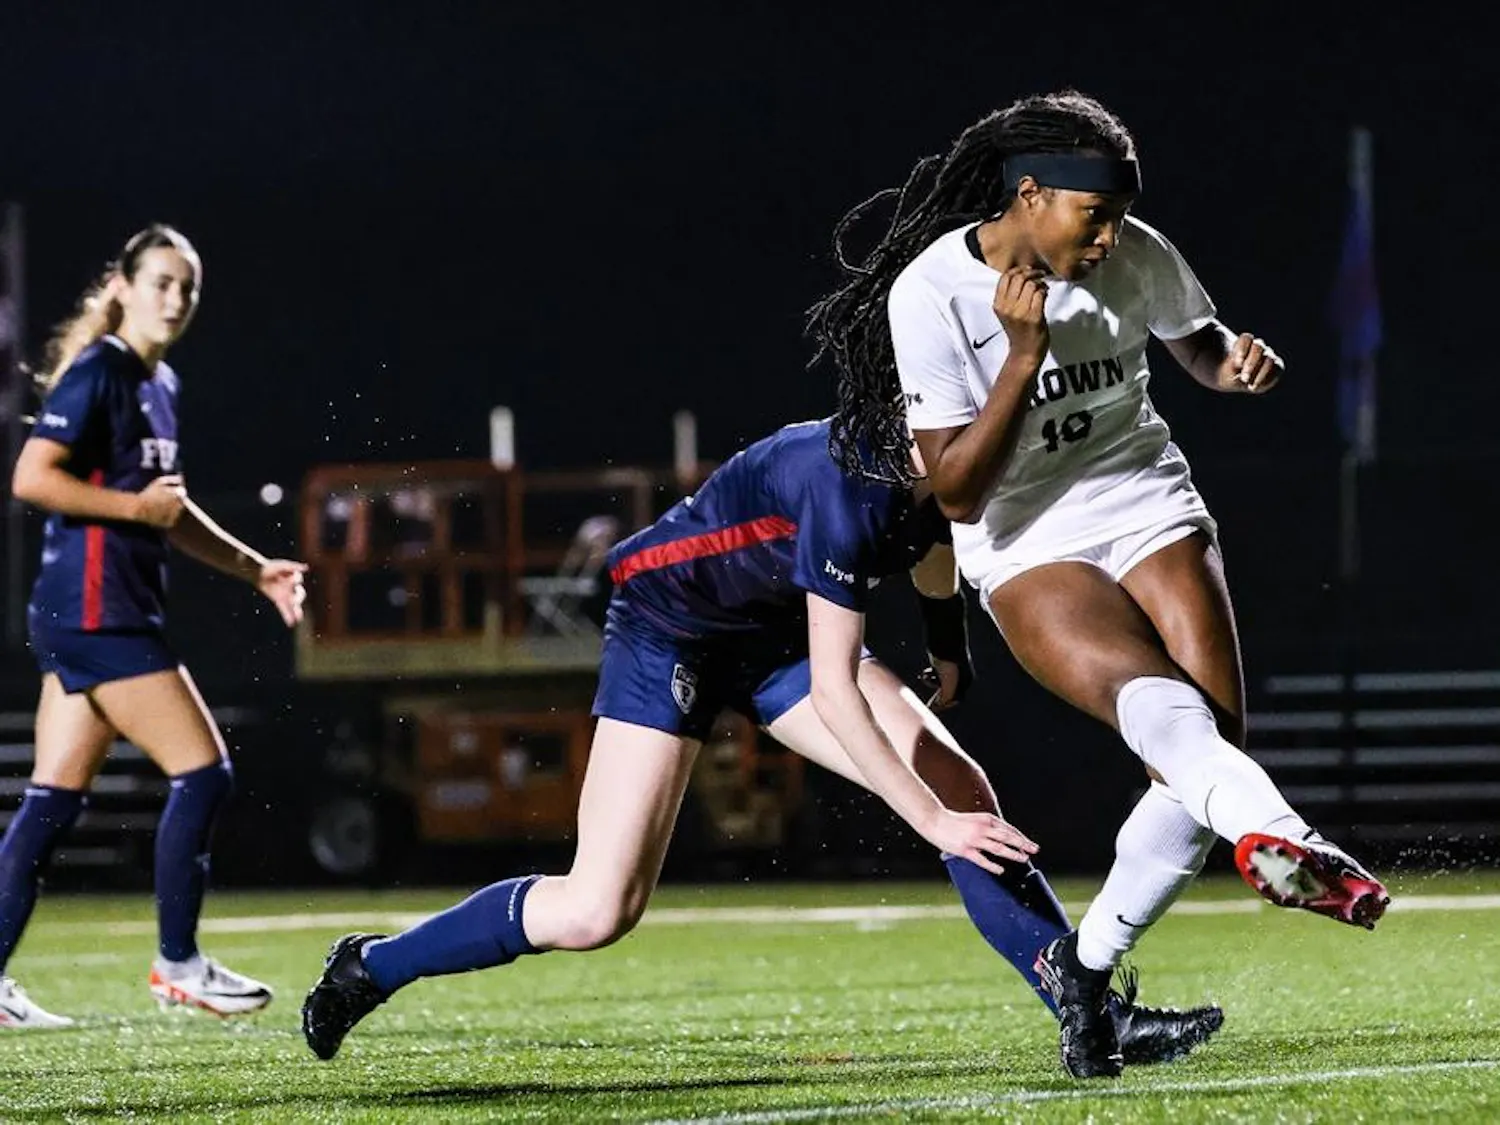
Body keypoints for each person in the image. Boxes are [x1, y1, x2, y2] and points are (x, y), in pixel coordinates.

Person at [302, 416, 1224, 1066]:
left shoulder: (939, 463)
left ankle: (1089, 1013)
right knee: (595, 910)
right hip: (671, 628)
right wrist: (931, 822)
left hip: (773, 628)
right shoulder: (848, 485)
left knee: (962, 781)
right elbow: (837, 685)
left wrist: (950, 647)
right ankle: (370, 966)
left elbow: (935, 541)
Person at [804, 89, 1390, 1077]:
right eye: (1093, 216)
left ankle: (1085, 971)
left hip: (1145, 496)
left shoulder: (1139, 252)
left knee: (1205, 749)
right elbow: (952, 491)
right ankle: (1286, 841)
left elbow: (1195, 340)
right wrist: (1024, 355)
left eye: (1121, 215)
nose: (1113, 237)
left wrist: (1235, 365)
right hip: (1026, 535)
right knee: (1174, 728)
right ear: (1029, 195)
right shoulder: (931, 296)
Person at [0, 225, 307, 1028]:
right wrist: (135, 508)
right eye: (162, 282)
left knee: (49, 803)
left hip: (90, 615)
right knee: (204, 774)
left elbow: (170, 510)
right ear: (125, 285)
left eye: (188, 288)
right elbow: (32, 477)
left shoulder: (158, 382)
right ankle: (178, 962)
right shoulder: (101, 371)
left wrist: (255, 568)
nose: (175, 299)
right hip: (98, 616)